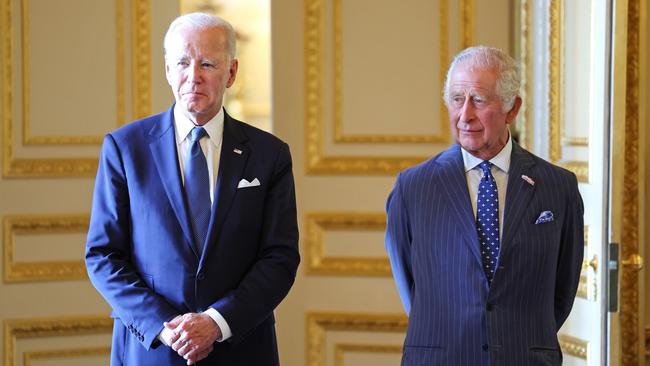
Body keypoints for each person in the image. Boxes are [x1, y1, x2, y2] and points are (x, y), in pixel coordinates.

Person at [85, 13, 299, 366]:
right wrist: (168, 329)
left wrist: (215, 323)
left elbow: (280, 257)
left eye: (208, 63)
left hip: (242, 349)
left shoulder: (270, 155)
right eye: (183, 62)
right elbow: (103, 256)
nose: (193, 76)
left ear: (231, 72)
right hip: (151, 350)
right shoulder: (125, 149)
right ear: (168, 69)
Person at [385, 46, 584, 365]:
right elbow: (410, 285)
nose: (465, 115)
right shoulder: (413, 187)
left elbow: (562, 289)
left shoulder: (558, 187)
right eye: (456, 99)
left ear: (512, 108)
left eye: (478, 100)